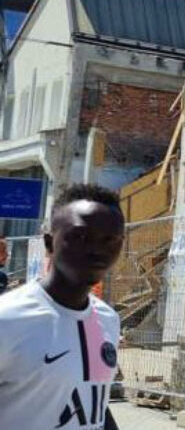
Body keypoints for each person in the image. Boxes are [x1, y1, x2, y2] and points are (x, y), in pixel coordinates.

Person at [0, 184, 125, 430]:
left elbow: (93, 404)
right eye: (80, 237)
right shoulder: (8, 319)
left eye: (110, 240)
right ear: (49, 243)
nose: (97, 249)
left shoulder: (107, 319)